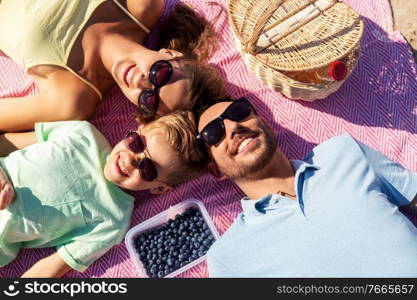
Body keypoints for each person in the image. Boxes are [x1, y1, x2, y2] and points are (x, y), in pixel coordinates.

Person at [195, 97, 417, 277]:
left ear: (268, 126)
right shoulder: (228, 257)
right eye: (214, 133)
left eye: (239, 111)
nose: (234, 126)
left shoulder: (344, 151)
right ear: (216, 171)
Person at [0, 111, 207, 277]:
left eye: (148, 169)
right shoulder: (82, 133)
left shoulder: (114, 221)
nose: (131, 159)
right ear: (136, 130)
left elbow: (48, 269)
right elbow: (6, 143)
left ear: (159, 189)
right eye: (137, 143)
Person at [0, 0, 225, 132]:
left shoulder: (72, 101)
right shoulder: (143, 6)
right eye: (161, 74)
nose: (142, 82)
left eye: (149, 99)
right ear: (170, 54)